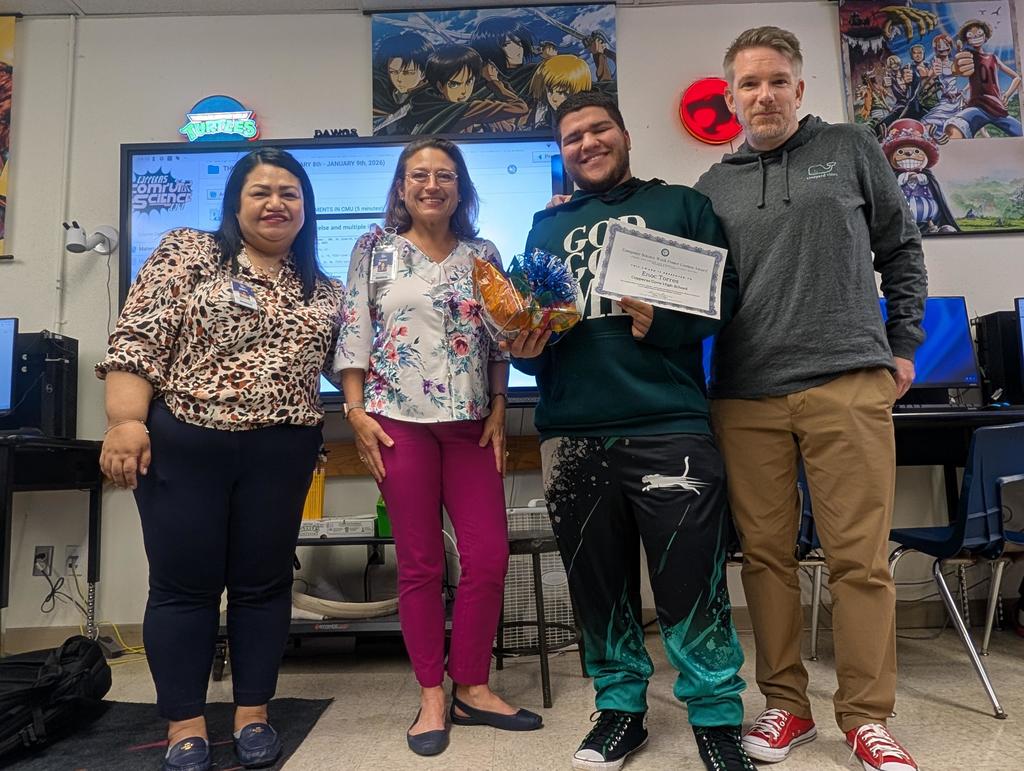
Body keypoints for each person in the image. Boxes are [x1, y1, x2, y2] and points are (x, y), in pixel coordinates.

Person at [694, 26, 927, 771]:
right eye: (749, 84)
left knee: (860, 559)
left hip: (846, 380)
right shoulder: (711, 186)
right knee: (765, 558)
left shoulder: (854, 148)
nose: (764, 94)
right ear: (730, 97)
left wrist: (903, 345)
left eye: (777, 80)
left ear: (801, 88)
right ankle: (786, 707)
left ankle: (865, 717)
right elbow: (696, 293)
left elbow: (900, 249)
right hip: (747, 394)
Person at [510, 90, 751, 771]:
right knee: (598, 584)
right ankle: (620, 711)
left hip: (668, 422)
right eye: (572, 137)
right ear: (561, 154)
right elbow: (536, 320)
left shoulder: (682, 206)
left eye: (598, 129)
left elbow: (724, 300)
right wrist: (525, 346)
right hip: (571, 429)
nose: (586, 143)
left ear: (623, 134)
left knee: (690, 582)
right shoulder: (543, 226)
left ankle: (717, 717)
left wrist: (667, 322)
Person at [97, 148, 343, 771]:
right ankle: (185, 724)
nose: (276, 203)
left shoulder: (324, 288)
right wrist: (125, 422)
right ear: (236, 203)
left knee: (264, 586)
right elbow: (137, 338)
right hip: (186, 443)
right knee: (184, 589)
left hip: (281, 451)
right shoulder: (189, 253)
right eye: (261, 191)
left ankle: (253, 716)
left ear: (306, 209)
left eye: (290, 193)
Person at [334, 137, 542, 757]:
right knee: (421, 564)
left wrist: (502, 409)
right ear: (401, 187)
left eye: (445, 175)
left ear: (461, 188)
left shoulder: (484, 253)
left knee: (489, 557)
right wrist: (354, 411)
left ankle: (471, 685)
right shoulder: (372, 249)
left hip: (472, 425)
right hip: (397, 425)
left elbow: (502, 339)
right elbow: (354, 332)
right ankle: (432, 692)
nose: (432, 184)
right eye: (418, 174)